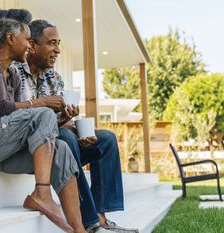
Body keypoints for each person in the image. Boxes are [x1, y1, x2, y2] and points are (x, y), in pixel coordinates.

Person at [0, 9, 86, 233]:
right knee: (43, 112)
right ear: (11, 38)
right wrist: (43, 103)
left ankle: (79, 229)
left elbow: (24, 123)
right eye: (28, 40)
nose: (31, 46)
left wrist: (60, 120)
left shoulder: (14, 76)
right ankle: (42, 193)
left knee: (61, 149)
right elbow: (0, 109)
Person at [12, 19, 139, 233]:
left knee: (106, 139)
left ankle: (101, 216)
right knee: (66, 138)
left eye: (58, 43)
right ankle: (89, 222)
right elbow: (15, 116)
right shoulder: (15, 72)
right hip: (34, 148)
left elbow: (62, 120)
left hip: (61, 142)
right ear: (32, 45)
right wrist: (63, 126)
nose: (58, 50)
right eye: (52, 43)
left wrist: (77, 128)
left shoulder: (54, 77)